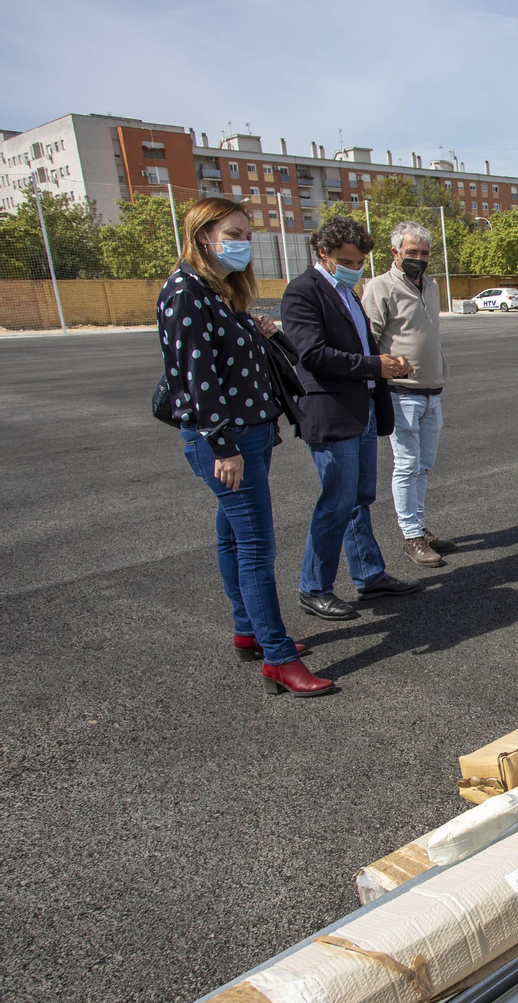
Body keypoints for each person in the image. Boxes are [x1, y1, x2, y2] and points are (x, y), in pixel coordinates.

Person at [159, 197, 334, 696]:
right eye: (233, 234)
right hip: (228, 440)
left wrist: (259, 333)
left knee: (235, 538)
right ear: (202, 237)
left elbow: (229, 360)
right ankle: (277, 656)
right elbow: (198, 380)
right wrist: (223, 447)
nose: (243, 243)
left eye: (245, 235)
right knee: (257, 545)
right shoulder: (186, 291)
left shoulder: (219, 293)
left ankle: (249, 630)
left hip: (253, 433)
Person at [282, 216, 421, 620]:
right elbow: (311, 354)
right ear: (322, 253)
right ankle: (313, 587)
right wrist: (373, 366)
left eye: (361, 261)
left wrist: (386, 365)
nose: (356, 267)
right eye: (348, 260)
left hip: (359, 409)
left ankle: (369, 576)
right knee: (336, 500)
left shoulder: (345, 291)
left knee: (358, 498)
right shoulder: (302, 292)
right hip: (331, 413)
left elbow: (360, 344)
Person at [362, 221, 457, 568]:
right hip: (402, 393)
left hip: (432, 391)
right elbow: (368, 339)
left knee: (424, 465)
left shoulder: (430, 285)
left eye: (424, 253)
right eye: (411, 252)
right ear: (395, 253)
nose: (419, 258)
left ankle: (418, 525)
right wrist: (385, 366)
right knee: (406, 465)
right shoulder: (379, 287)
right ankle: (411, 536)